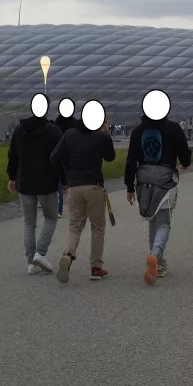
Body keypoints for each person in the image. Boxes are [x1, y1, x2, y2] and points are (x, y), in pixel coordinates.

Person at [125, 110, 192, 284]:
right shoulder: (174, 128)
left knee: (152, 219)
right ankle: (155, 255)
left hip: (143, 180)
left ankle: (158, 263)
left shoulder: (138, 130)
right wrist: (185, 162)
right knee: (164, 222)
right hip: (165, 180)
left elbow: (131, 159)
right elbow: (185, 155)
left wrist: (129, 187)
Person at [49, 115, 116, 282]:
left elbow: (53, 158)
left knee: (74, 226)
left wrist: (64, 178)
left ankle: (68, 255)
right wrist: (106, 133)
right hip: (94, 186)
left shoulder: (70, 134)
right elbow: (110, 157)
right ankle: (96, 267)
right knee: (97, 227)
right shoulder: (100, 136)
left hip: (74, 187)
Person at [7, 110, 64, 275]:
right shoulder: (53, 131)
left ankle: (31, 263)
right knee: (51, 218)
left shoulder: (19, 129)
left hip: (24, 182)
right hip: (47, 183)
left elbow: (13, 156)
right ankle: (40, 252)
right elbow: (60, 157)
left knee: (29, 223)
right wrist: (64, 180)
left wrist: (12, 178)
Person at [54, 106, 78, 214]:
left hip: (59, 158)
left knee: (60, 185)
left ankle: (58, 210)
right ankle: (74, 208)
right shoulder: (75, 124)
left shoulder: (55, 124)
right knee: (73, 184)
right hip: (72, 159)